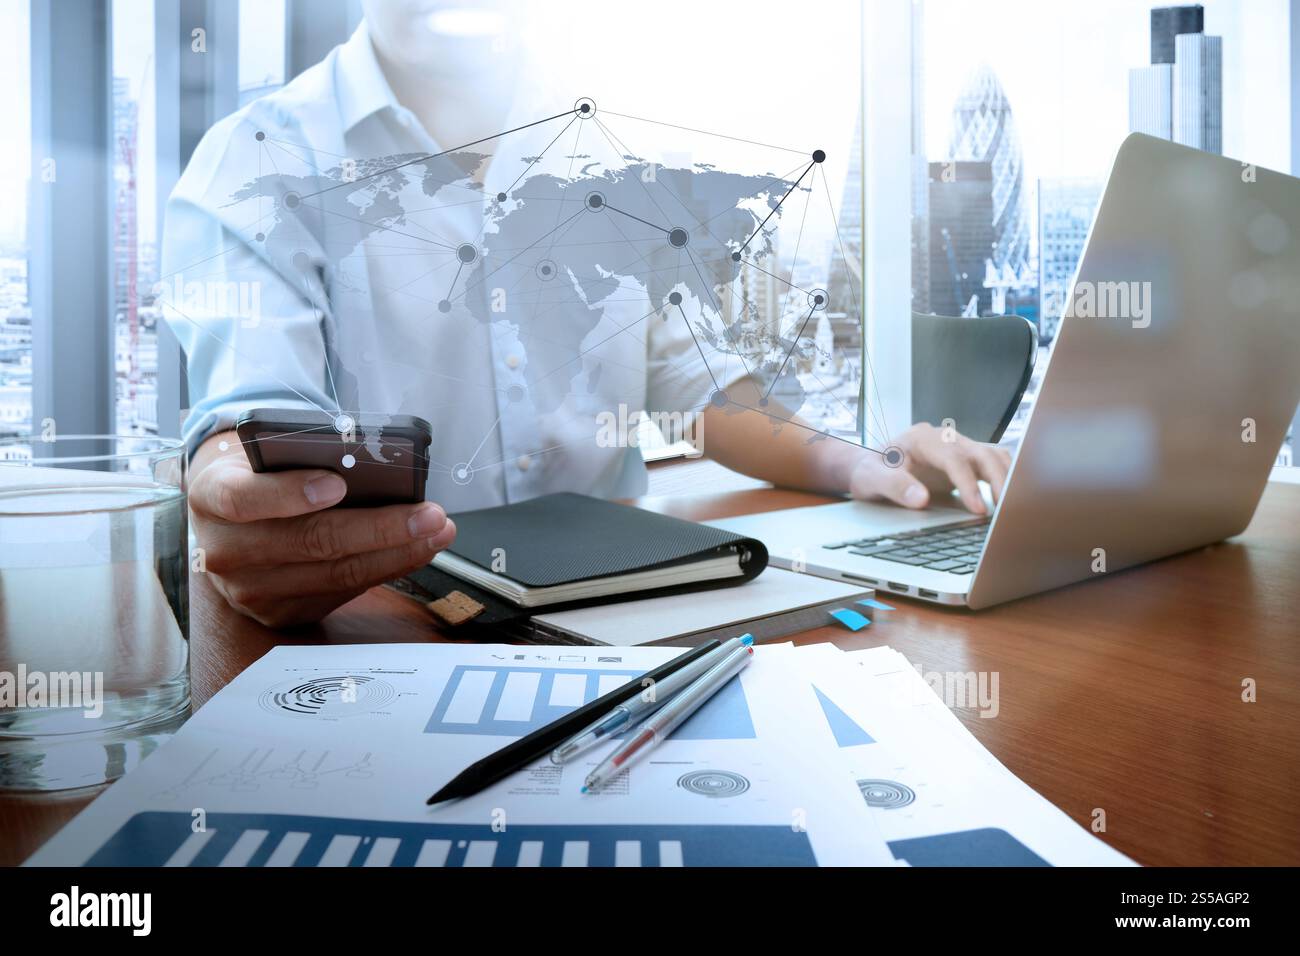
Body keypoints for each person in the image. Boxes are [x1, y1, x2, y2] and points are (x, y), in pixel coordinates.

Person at [164, 0, 1009, 627]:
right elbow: (251, 424)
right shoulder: (260, 162)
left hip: (636, 618)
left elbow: (703, 392)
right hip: (389, 625)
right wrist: (242, 499)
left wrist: (867, 462)